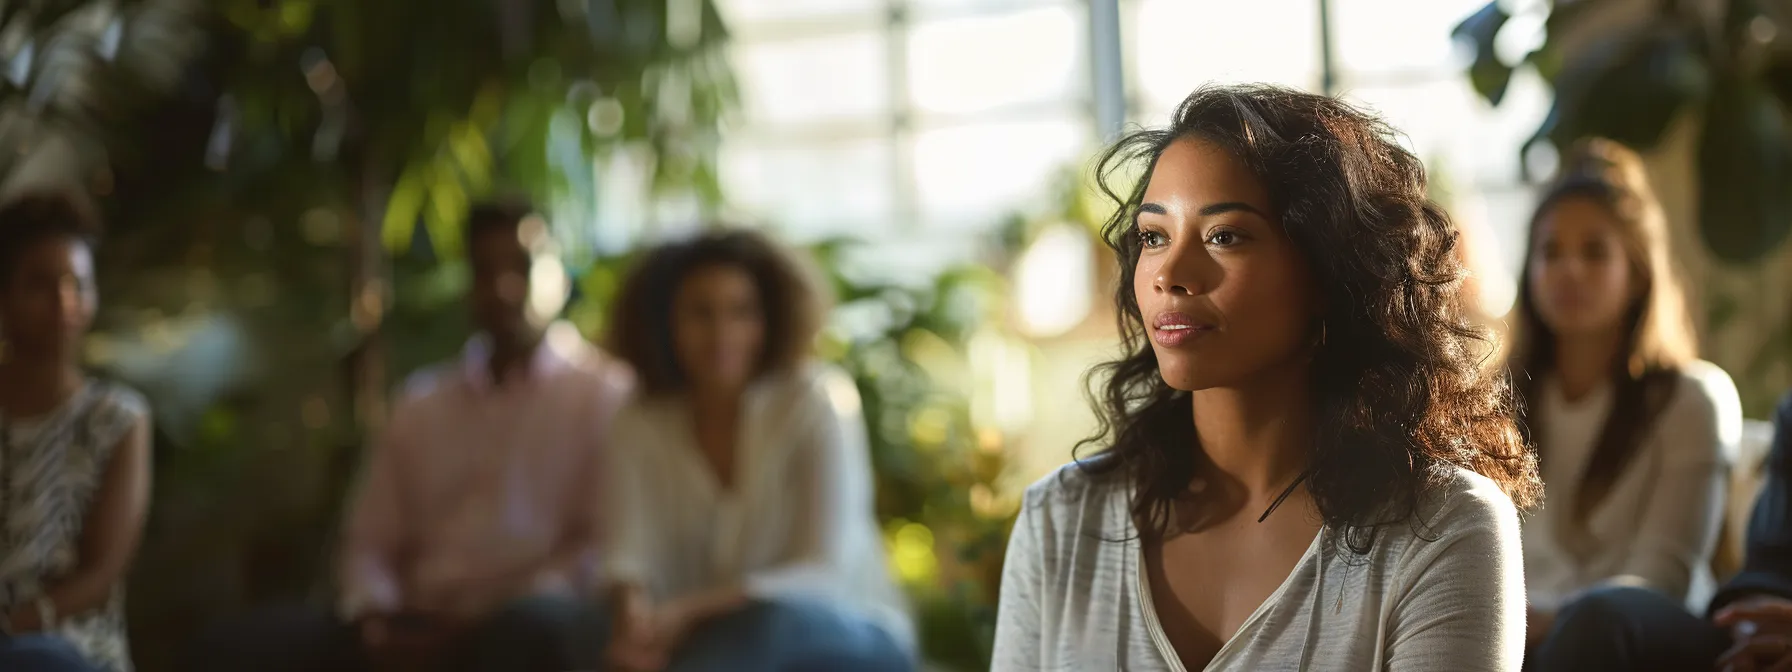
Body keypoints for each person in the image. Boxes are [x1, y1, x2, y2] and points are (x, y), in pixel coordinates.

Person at [990, 84, 1540, 671]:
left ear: (1328, 271)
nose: (1170, 273)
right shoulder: (1061, 521)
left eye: (1225, 236)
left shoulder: (1443, 530)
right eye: (1154, 237)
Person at [195, 201, 632, 672]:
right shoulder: (419, 404)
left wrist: (488, 619)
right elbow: (367, 542)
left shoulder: (604, 396)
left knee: (531, 634)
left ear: (559, 274)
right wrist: (376, 616)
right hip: (411, 623)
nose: (503, 288)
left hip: (517, 626)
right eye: (485, 270)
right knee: (233, 647)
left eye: (521, 267)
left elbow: (599, 547)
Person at [583, 228, 913, 672]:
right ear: (665, 322)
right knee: (552, 622)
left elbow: (821, 573)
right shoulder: (638, 422)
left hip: (850, 637)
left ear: (770, 319)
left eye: (742, 312)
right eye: (700, 313)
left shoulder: (815, 402)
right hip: (703, 642)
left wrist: (690, 611)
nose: (722, 333)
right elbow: (628, 557)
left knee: (764, 626)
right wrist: (634, 624)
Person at [1512, 138, 1741, 655]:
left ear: (1637, 274)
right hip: (1523, 634)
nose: (1568, 270)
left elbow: (1662, 578)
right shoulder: (1496, 399)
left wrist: (1548, 622)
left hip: (1641, 635)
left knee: (1599, 620)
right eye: (1550, 252)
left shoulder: (1693, 399)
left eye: (1594, 252)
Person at [1529, 391, 1792, 672]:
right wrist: (1752, 621)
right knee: (1603, 618)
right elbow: (1769, 564)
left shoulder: (1692, 401)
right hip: (1761, 630)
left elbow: (1663, 573)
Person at [0, 193, 153, 672]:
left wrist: (18, 624)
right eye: (41, 285)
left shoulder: (118, 419)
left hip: (66, 648)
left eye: (78, 284)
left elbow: (103, 572)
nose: (64, 303)